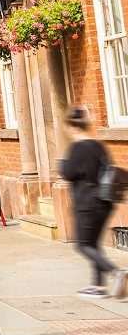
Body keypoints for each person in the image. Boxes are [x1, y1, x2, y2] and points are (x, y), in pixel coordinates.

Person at [60, 107, 127, 299]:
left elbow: (68, 173)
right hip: (105, 202)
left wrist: (63, 163)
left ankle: (116, 272)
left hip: (87, 203)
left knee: (82, 245)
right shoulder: (99, 146)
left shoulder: (77, 148)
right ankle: (98, 286)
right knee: (94, 244)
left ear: (72, 127)